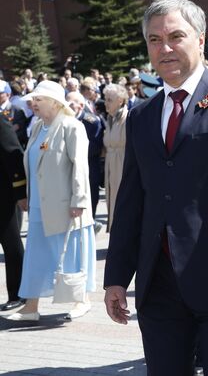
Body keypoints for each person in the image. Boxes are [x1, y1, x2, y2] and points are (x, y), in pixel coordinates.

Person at [103, 0, 208, 376]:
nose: (164, 48)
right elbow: (131, 200)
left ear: (201, 39)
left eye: (176, 36)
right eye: (154, 39)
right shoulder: (143, 115)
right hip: (158, 287)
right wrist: (116, 277)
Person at [5, 80, 97, 321]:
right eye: (32, 100)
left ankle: (81, 300)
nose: (33, 103)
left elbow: (80, 167)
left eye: (39, 99)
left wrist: (79, 200)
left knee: (71, 253)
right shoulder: (37, 128)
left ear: (55, 103)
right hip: (39, 205)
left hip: (66, 205)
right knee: (36, 255)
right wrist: (25, 195)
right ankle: (30, 307)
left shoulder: (71, 126)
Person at [66, 91, 105, 232]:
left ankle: (90, 227)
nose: (67, 106)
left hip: (89, 169)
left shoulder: (92, 121)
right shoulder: (63, 121)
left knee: (89, 202)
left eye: (71, 104)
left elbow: (95, 147)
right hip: (69, 171)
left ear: (81, 106)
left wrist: (72, 154)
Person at [0, 115, 26, 311]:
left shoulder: (0, 121)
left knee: (12, 244)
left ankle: (18, 294)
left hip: (4, 196)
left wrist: (20, 193)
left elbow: (14, 156)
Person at [102, 84, 128, 232]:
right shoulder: (110, 118)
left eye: (109, 99)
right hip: (110, 165)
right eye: (105, 99)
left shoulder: (127, 117)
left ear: (120, 100)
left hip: (122, 163)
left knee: (122, 201)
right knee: (111, 200)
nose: (106, 103)